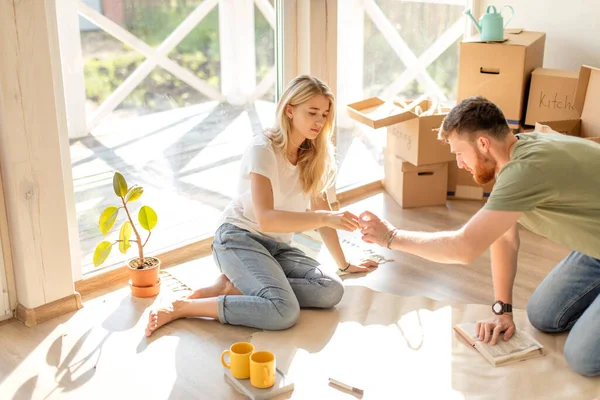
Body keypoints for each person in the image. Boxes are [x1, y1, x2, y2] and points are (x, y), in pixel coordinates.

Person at [358, 96, 600, 377]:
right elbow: (505, 239)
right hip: (594, 248)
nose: (459, 163)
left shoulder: (524, 171)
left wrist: (391, 237)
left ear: (483, 143)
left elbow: (464, 248)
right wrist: (502, 310)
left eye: (459, 153)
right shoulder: (516, 151)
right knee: (543, 316)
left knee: (582, 358)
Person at [146, 75, 377, 337]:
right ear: (290, 110)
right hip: (238, 238)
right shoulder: (263, 149)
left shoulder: (312, 155)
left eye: (324, 114)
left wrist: (344, 265)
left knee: (331, 289)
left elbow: (320, 206)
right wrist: (325, 217)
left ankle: (237, 286)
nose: (319, 121)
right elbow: (267, 219)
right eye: (312, 112)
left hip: (277, 248)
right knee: (283, 311)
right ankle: (185, 306)